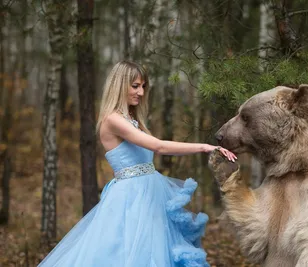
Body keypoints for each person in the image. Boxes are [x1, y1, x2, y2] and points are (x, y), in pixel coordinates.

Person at [38, 60, 236, 267]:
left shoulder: (132, 119)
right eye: (135, 86)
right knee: (131, 254)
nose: (141, 92)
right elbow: (159, 147)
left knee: (157, 251)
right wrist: (204, 147)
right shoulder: (112, 120)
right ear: (119, 84)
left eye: (143, 86)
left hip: (150, 192)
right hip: (131, 198)